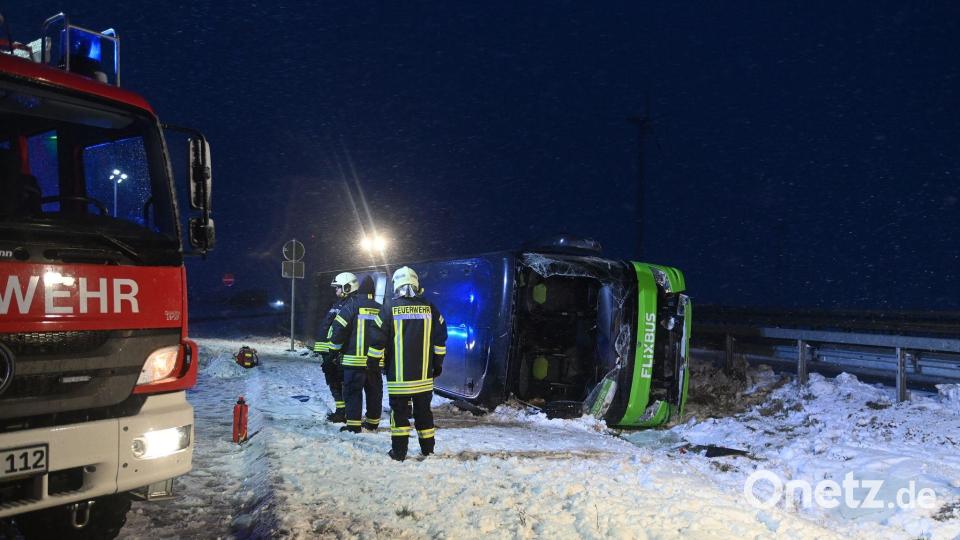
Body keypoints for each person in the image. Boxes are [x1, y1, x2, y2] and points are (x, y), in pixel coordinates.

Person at [367, 266, 447, 461]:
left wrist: (373, 363)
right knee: (424, 414)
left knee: (400, 415)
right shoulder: (430, 307)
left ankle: (399, 452)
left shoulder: (388, 308)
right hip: (424, 377)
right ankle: (428, 450)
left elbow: (377, 340)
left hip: (399, 377)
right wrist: (437, 364)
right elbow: (440, 340)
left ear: (397, 285)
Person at [328, 273, 384, 433]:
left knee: (353, 393)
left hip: (353, 362)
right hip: (375, 362)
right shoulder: (381, 309)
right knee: (374, 392)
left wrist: (334, 351)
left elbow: (338, 330)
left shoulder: (351, 307)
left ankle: (353, 425)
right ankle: (373, 423)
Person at [312, 275, 351, 423]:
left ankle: (342, 412)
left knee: (338, 382)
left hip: (335, 352)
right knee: (333, 381)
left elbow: (341, 331)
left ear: (347, 287)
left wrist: (335, 351)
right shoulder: (339, 303)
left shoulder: (349, 305)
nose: (335, 290)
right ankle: (340, 410)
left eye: (338, 287)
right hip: (328, 350)